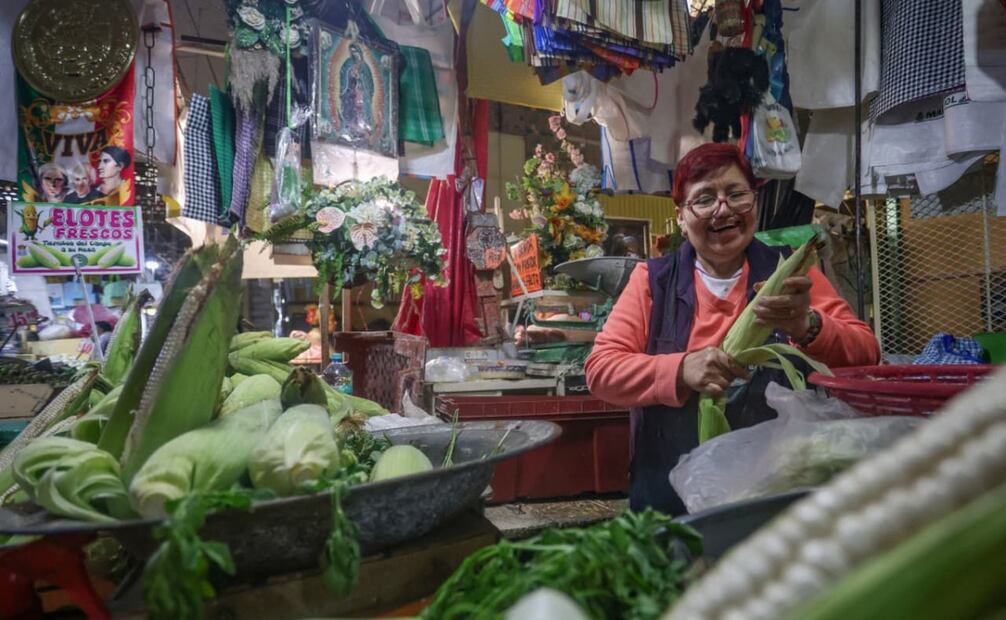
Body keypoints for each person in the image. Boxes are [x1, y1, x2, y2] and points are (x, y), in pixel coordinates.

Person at [584, 143, 881, 515]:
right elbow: (601, 371)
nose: (723, 209)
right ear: (680, 216)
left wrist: (807, 327)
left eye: (736, 194)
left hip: (773, 490)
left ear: (753, 203)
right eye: (704, 199)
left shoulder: (788, 272)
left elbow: (868, 351)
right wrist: (680, 369)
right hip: (670, 497)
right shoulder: (651, 281)